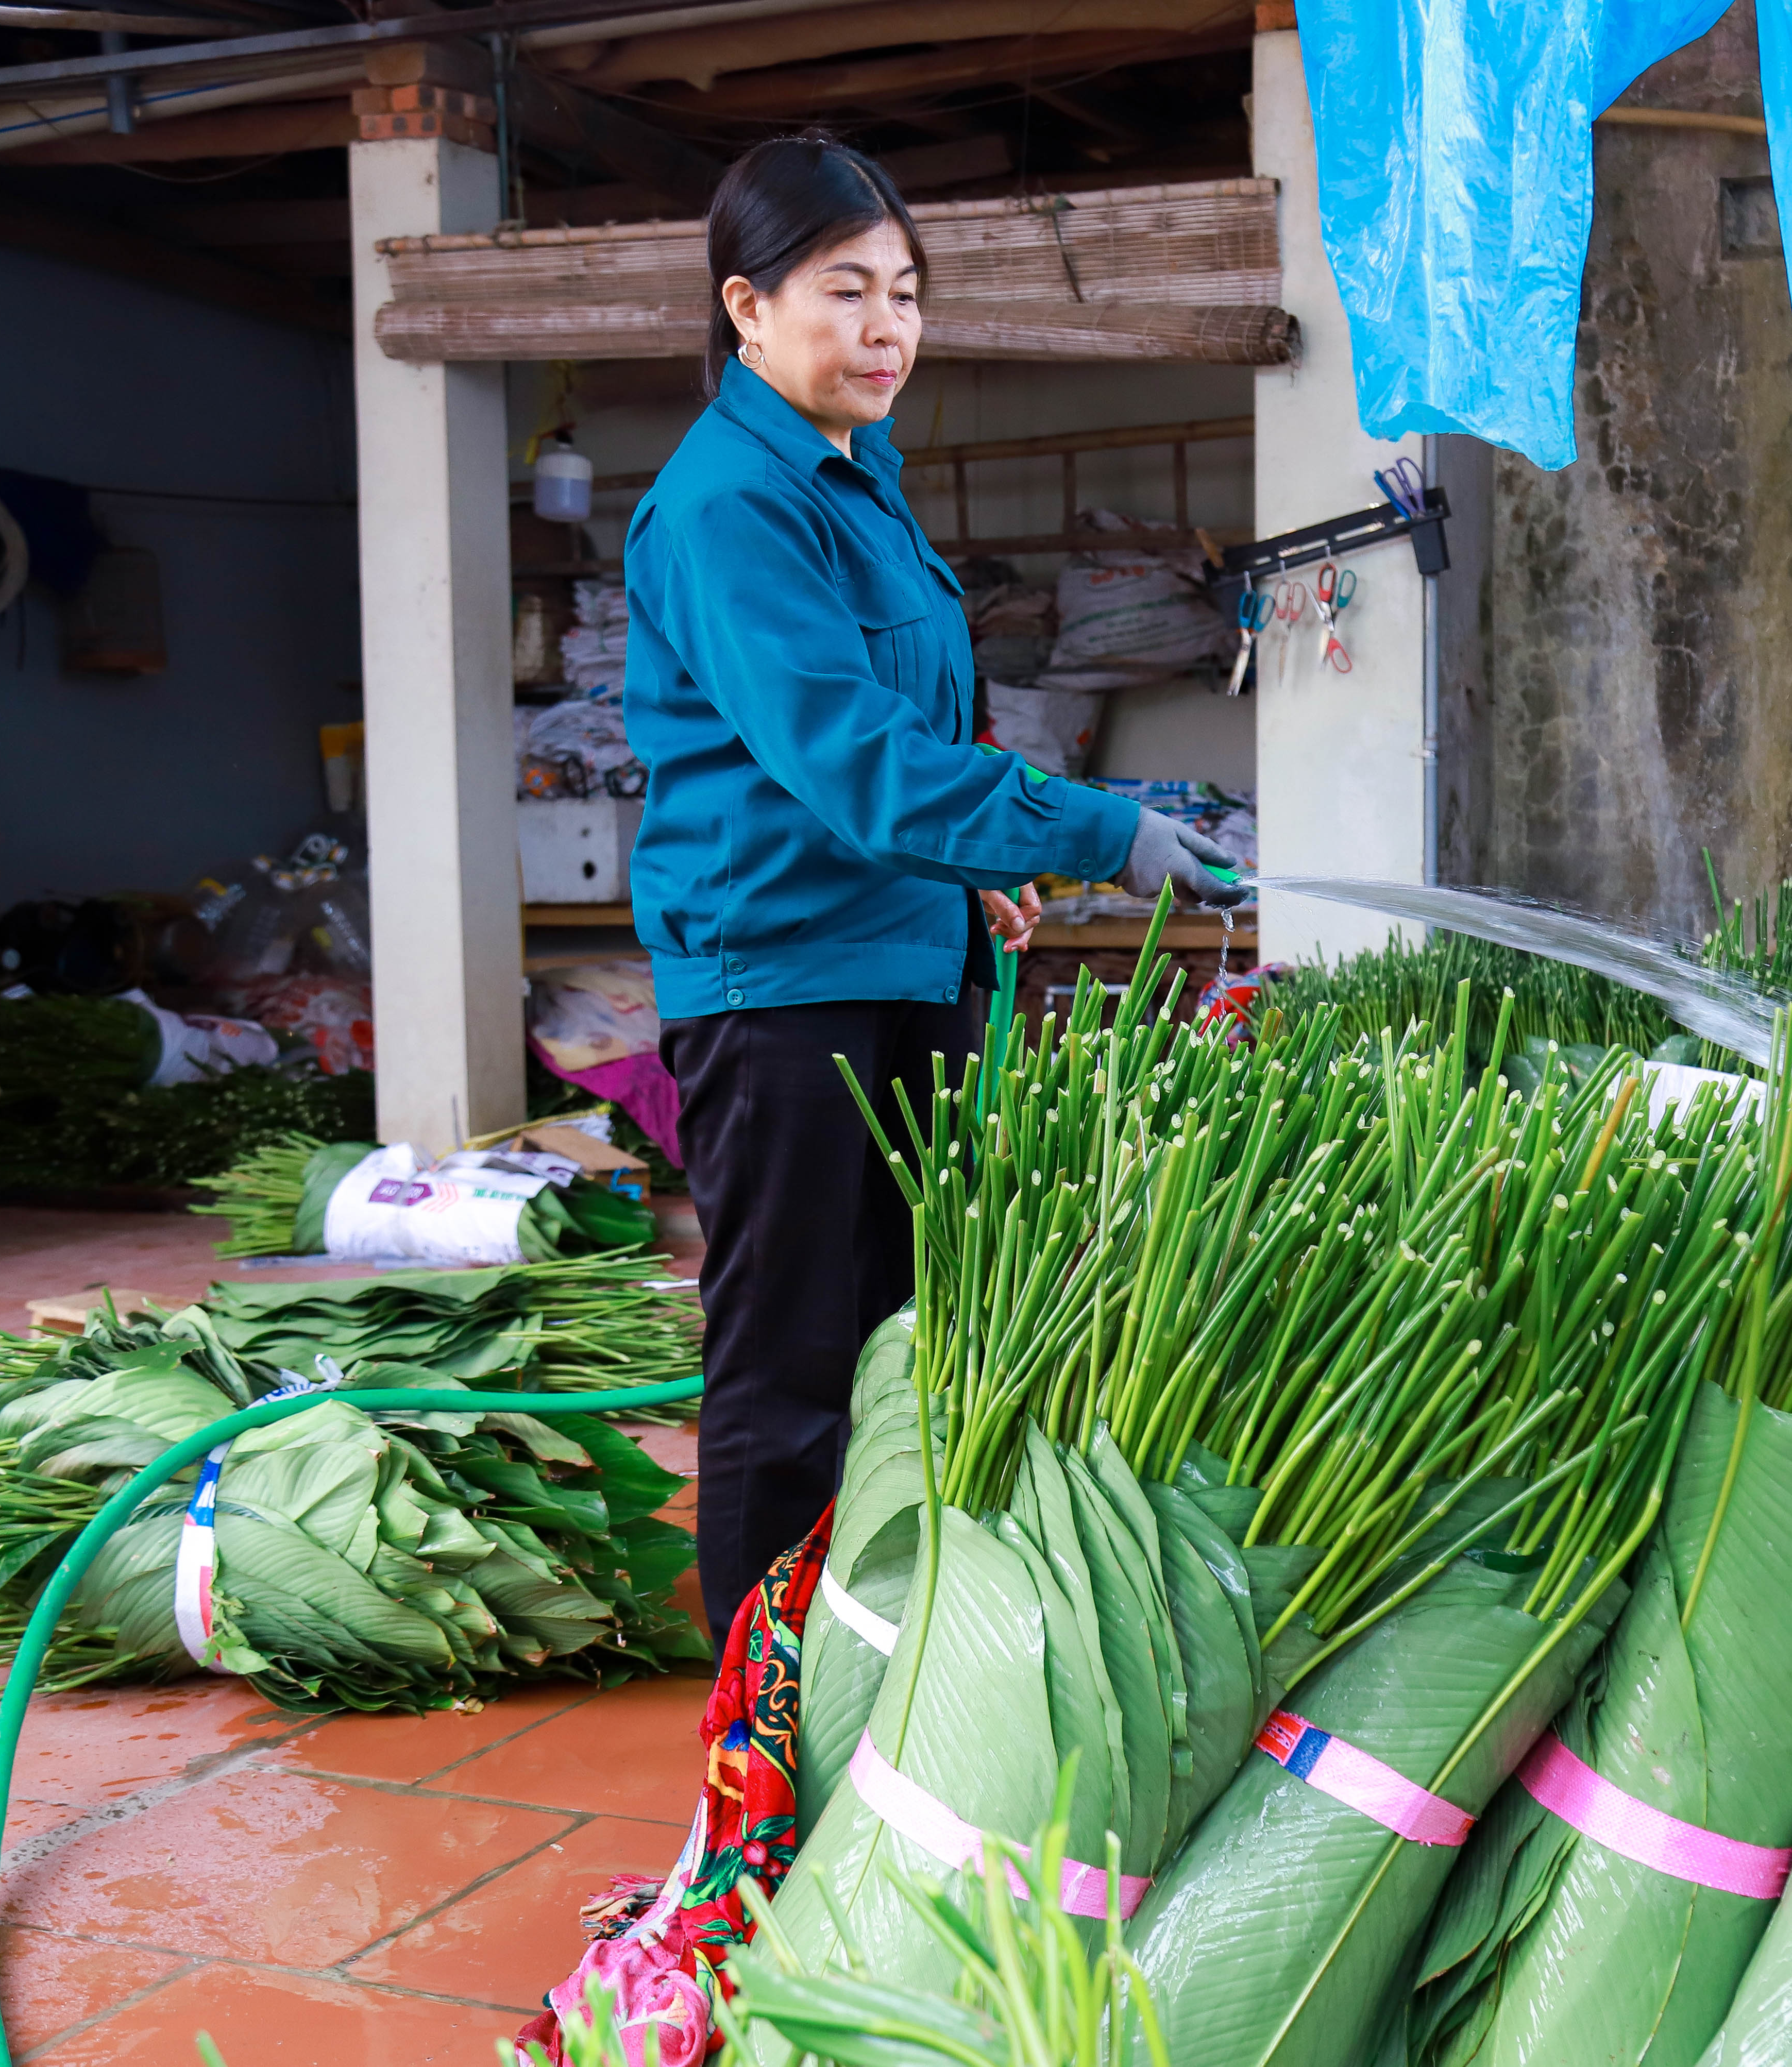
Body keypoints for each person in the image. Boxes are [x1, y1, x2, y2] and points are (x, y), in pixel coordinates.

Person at [625, 134, 1248, 1641]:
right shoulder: (728, 506)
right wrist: (1097, 832)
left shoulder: (856, 481)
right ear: (747, 308)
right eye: (843, 292)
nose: (885, 327)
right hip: (781, 985)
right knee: (786, 1378)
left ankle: (877, 1671)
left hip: (897, 962)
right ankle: (759, 1757)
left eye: (904, 293)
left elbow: (911, 736)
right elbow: (847, 760)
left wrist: (968, 882)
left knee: (907, 1347)